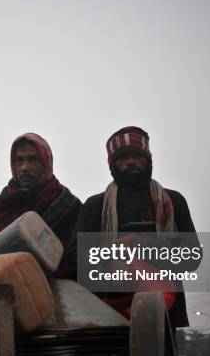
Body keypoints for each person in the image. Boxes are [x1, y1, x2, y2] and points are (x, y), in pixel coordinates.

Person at [70, 126, 200, 328]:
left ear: (148, 160)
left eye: (137, 156)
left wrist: (144, 247)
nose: (130, 161)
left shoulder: (173, 201)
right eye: (122, 157)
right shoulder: (95, 206)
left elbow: (191, 257)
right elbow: (75, 258)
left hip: (163, 312)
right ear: (112, 165)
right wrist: (110, 257)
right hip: (108, 313)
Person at [0, 133, 81, 278]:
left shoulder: (69, 206)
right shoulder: (2, 206)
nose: (24, 167)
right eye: (19, 160)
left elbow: (78, 262)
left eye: (33, 159)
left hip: (61, 293)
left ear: (46, 162)